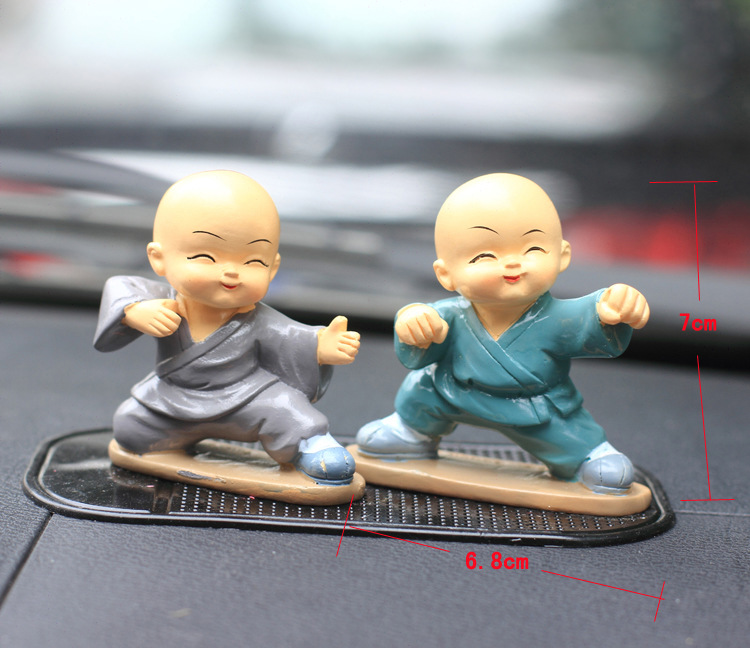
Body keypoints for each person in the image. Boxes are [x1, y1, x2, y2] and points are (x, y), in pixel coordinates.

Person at [356, 173, 649, 494]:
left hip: (535, 408)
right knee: (422, 389)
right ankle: (411, 433)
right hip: (453, 392)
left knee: (580, 445)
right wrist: (414, 324)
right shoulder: (452, 315)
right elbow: (424, 334)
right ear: (445, 273)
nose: (512, 264)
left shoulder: (558, 317)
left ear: (562, 255)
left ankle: (588, 457)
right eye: (485, 255)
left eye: (533, 248)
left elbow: (588, 317)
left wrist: (612, 308)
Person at [95, 170, 360, 485]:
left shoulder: (260, 319)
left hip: (248, 398)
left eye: (253, 262)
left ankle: (312, 446)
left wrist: (320, 345)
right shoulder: (159, 301)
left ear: (273, 268)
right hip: (171, 398)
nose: (232, 272)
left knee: (287, 408)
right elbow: (122, 288)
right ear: (159, 258)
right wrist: (133, 311)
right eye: (206, 256)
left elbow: (292, 337)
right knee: (129, 426)